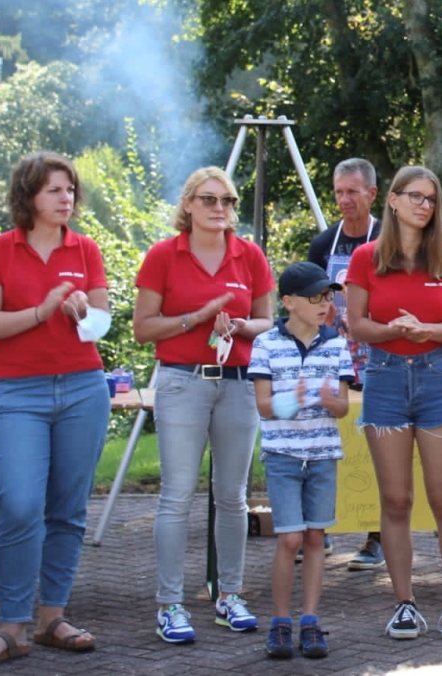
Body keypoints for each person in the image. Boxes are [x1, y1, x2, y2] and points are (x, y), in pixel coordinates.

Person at [133, 166, 275, 644]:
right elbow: (144, 328)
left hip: (237, 382)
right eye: (210, 200)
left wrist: (238, 325)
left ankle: (229, 595)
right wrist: (196, 318)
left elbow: (267, 322)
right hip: (182, 381)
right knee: (176, 495)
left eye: (228, 201)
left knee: (233, 497)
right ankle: (169, 604)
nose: (221, 209)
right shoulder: (163, 255)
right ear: (188, 204)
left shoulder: (249, 255)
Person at [0, 152, 112, 662]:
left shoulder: (85, 249)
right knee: (20, 504)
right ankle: (11, 625)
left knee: (67, 510)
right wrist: (42, 311)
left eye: (69, 190)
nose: (66, 199)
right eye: (53, 191)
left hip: (83, 387)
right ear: (29, 197)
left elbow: (101, 321)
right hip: (16, 392)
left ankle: (50, 619)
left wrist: (83, 312)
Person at [347, 165, 442, 641]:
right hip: (383, 376)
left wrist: (425, 332)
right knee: (396, 500)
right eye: (416, 197)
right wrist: (394, 332)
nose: (424, 205)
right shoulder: (365, 258)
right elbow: (357, 325)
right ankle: (404, 604)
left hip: (438, 376)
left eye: (431, 199)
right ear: (394, 201)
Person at [249, 262, 353, 660]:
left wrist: (332, 402)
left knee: (314, 538)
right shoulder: (266, 344)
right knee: (289, 537)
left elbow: (342, 407)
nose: (325, 304)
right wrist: (293, 399)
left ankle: (309, 621)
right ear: (289, 302)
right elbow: (262, 405)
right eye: (316, 298)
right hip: (283, 456)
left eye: (328, 296)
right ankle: (280, 622)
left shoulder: (337, 344)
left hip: (324, 454)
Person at [308, 158, 383, 570]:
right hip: (332, 356)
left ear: (372, 194)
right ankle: (320, 530)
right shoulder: (324, 244)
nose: (344, 200)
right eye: (338, 192)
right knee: (324, 444)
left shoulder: (388, 240)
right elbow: (309, 297)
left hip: (379, 356)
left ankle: (377, 537)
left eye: (352, 191)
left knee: (376, 445)